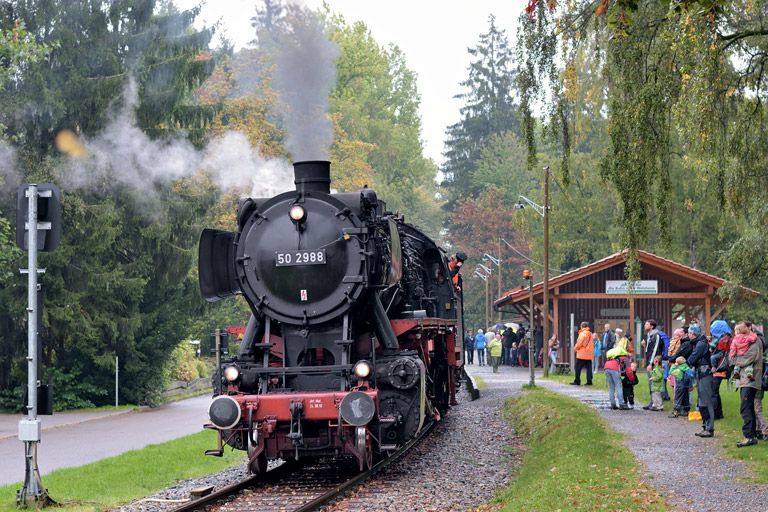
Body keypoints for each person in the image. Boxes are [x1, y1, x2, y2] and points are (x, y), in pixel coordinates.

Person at [732, 321, 764, 447]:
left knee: (745, 408)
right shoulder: (744, 340)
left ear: (748, 328)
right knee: (748, 408)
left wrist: (734, 360)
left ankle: (749, 437)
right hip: (744, 380)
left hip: (750, 380)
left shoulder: (755, 341)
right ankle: (752, 436)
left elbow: (749, 357)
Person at [687, 323, 715, 438]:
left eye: (689, 333)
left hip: (704, 374)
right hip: (700, 374)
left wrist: (692, 360)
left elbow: (692, 359)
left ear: (692, 333)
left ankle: (709, 428)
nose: (688, 335)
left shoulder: (701, 344)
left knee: (706, 401)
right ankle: (705, 426)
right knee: (701, 402)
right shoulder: (699, 343)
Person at [709, 320, 732, 420]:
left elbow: (713, 350)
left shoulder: (718, 340)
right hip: (724, 368)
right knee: (716, 393)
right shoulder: (728, 339)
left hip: (718, 369)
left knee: (713, 393)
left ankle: (714, 414)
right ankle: (719, 413)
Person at [642, 319, 665, 395]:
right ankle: (652, 400)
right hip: (650, 361)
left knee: (655, 381)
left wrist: (650, 363)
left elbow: (655, 350)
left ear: (652, 326)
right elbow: (649, 351)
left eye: (647, 324)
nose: (645, 325)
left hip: (655, 363)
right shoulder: (649, 335)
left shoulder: (656, 335)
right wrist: (645, 346)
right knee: (650, 381)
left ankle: (657, 400)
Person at [604, 343, 630, 410]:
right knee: (618, 386)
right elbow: (628, 368)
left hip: (606, 367)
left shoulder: (611, 356)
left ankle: (613, 403)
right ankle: (621, 403)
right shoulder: (623, 357)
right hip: (614, 368)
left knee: (611, 387)